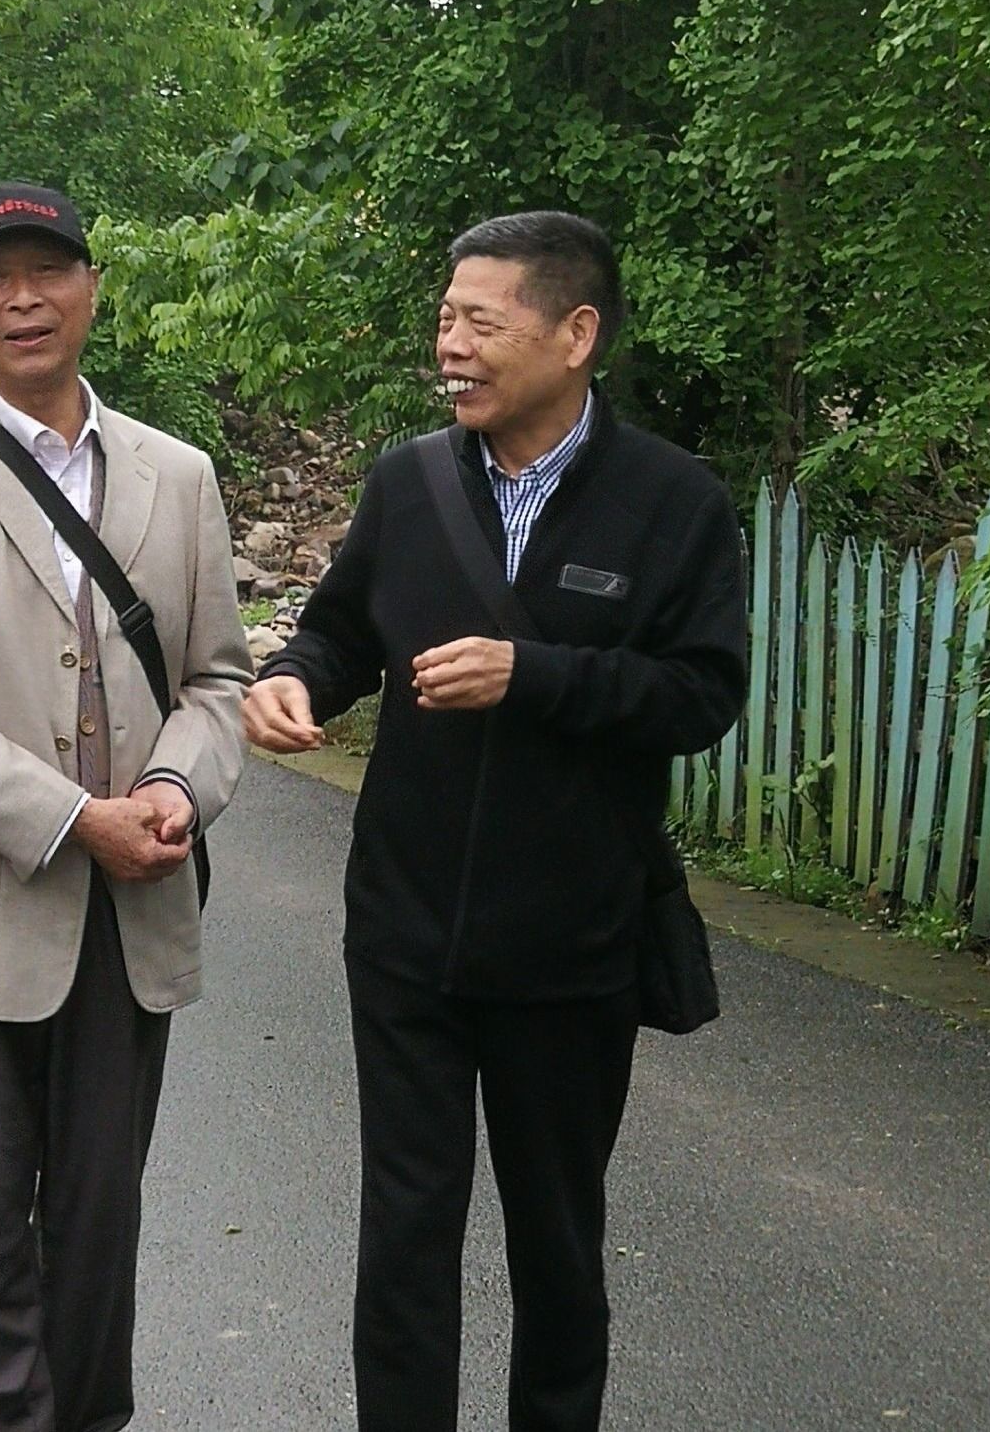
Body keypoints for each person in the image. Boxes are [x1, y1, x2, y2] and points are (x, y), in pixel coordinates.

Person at [245, 211, 748, 1432]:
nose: (449, 346)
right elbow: (342, 630)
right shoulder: (408, 483)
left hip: (570, 946)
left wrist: (536, 675)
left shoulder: (671, 501)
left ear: (575, 334)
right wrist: (292, 679)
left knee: (557, 1247)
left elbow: (699, 695)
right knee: (403, 1237)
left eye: (479, 321)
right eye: (443, 320)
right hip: (403, 935)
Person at [0, 184, 252, 1432]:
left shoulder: (177, 475)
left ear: (90, 288)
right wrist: (76, 819)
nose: (24, 300)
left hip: (128, 924)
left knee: (94, 1230)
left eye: (47, 271)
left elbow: (217, 681)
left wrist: (173, 787)